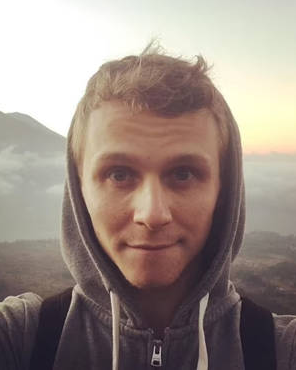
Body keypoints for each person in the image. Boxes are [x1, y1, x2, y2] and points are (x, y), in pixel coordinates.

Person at [0, 43, 295, 370]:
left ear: (223, 192)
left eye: (183, 174)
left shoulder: (282, 350)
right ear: (78, 189)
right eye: (119, 174)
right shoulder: (22, 337)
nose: (152, 214)